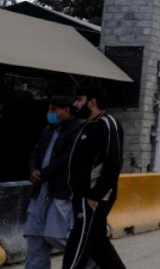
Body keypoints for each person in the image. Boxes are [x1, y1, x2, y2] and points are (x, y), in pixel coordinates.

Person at [62, 85, 126, 269]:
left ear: (92, 102)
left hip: (92, 197)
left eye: (79, 99)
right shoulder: (86, 127)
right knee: (98, 245)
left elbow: (113, 163)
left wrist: (95, 195)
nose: (75, 104)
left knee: (78, 244)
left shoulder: (108, 124)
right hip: (81, 195)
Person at [24, 96, 87, 269]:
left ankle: (91, 259)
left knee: (56, 235)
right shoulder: (48, 130)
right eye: (48, 110)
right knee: (35, 239)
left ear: (66, 110)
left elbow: (68, 158)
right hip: (40, 192)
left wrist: (44, 173)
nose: (49, 113)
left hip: (59, 192)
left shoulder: (78, 129)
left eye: (53, 110)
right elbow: (35, 152)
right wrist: (32, 172)